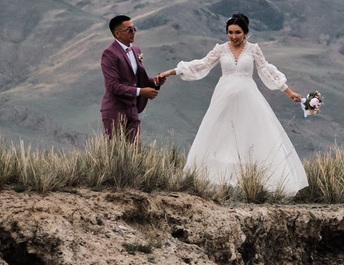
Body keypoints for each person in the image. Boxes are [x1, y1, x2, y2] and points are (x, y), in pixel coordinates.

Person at [171, 13, 309, 194]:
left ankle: (252, 185)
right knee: (219, 136)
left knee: (250, 136)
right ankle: (216, 183)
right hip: (223, 98)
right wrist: (171, 72)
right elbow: (202, 65)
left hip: (248, 97)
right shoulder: (220, 49)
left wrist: (289, 92)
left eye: (237, 32)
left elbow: (266, 70)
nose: (233, 36)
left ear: (245, 33)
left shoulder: (253, 50)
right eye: (230, 32)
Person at [99, 13, 159, 142]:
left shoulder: (136, 50)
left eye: (134, 28)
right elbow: (113, 86)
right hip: (114, 111)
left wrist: (156, 81)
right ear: (117, 34)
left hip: (133, 110)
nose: (134, 32)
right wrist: (140, 91)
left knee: (135, 154)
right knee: (114, 153)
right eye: (129, 30)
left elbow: (139, 79)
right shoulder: (109, 53)